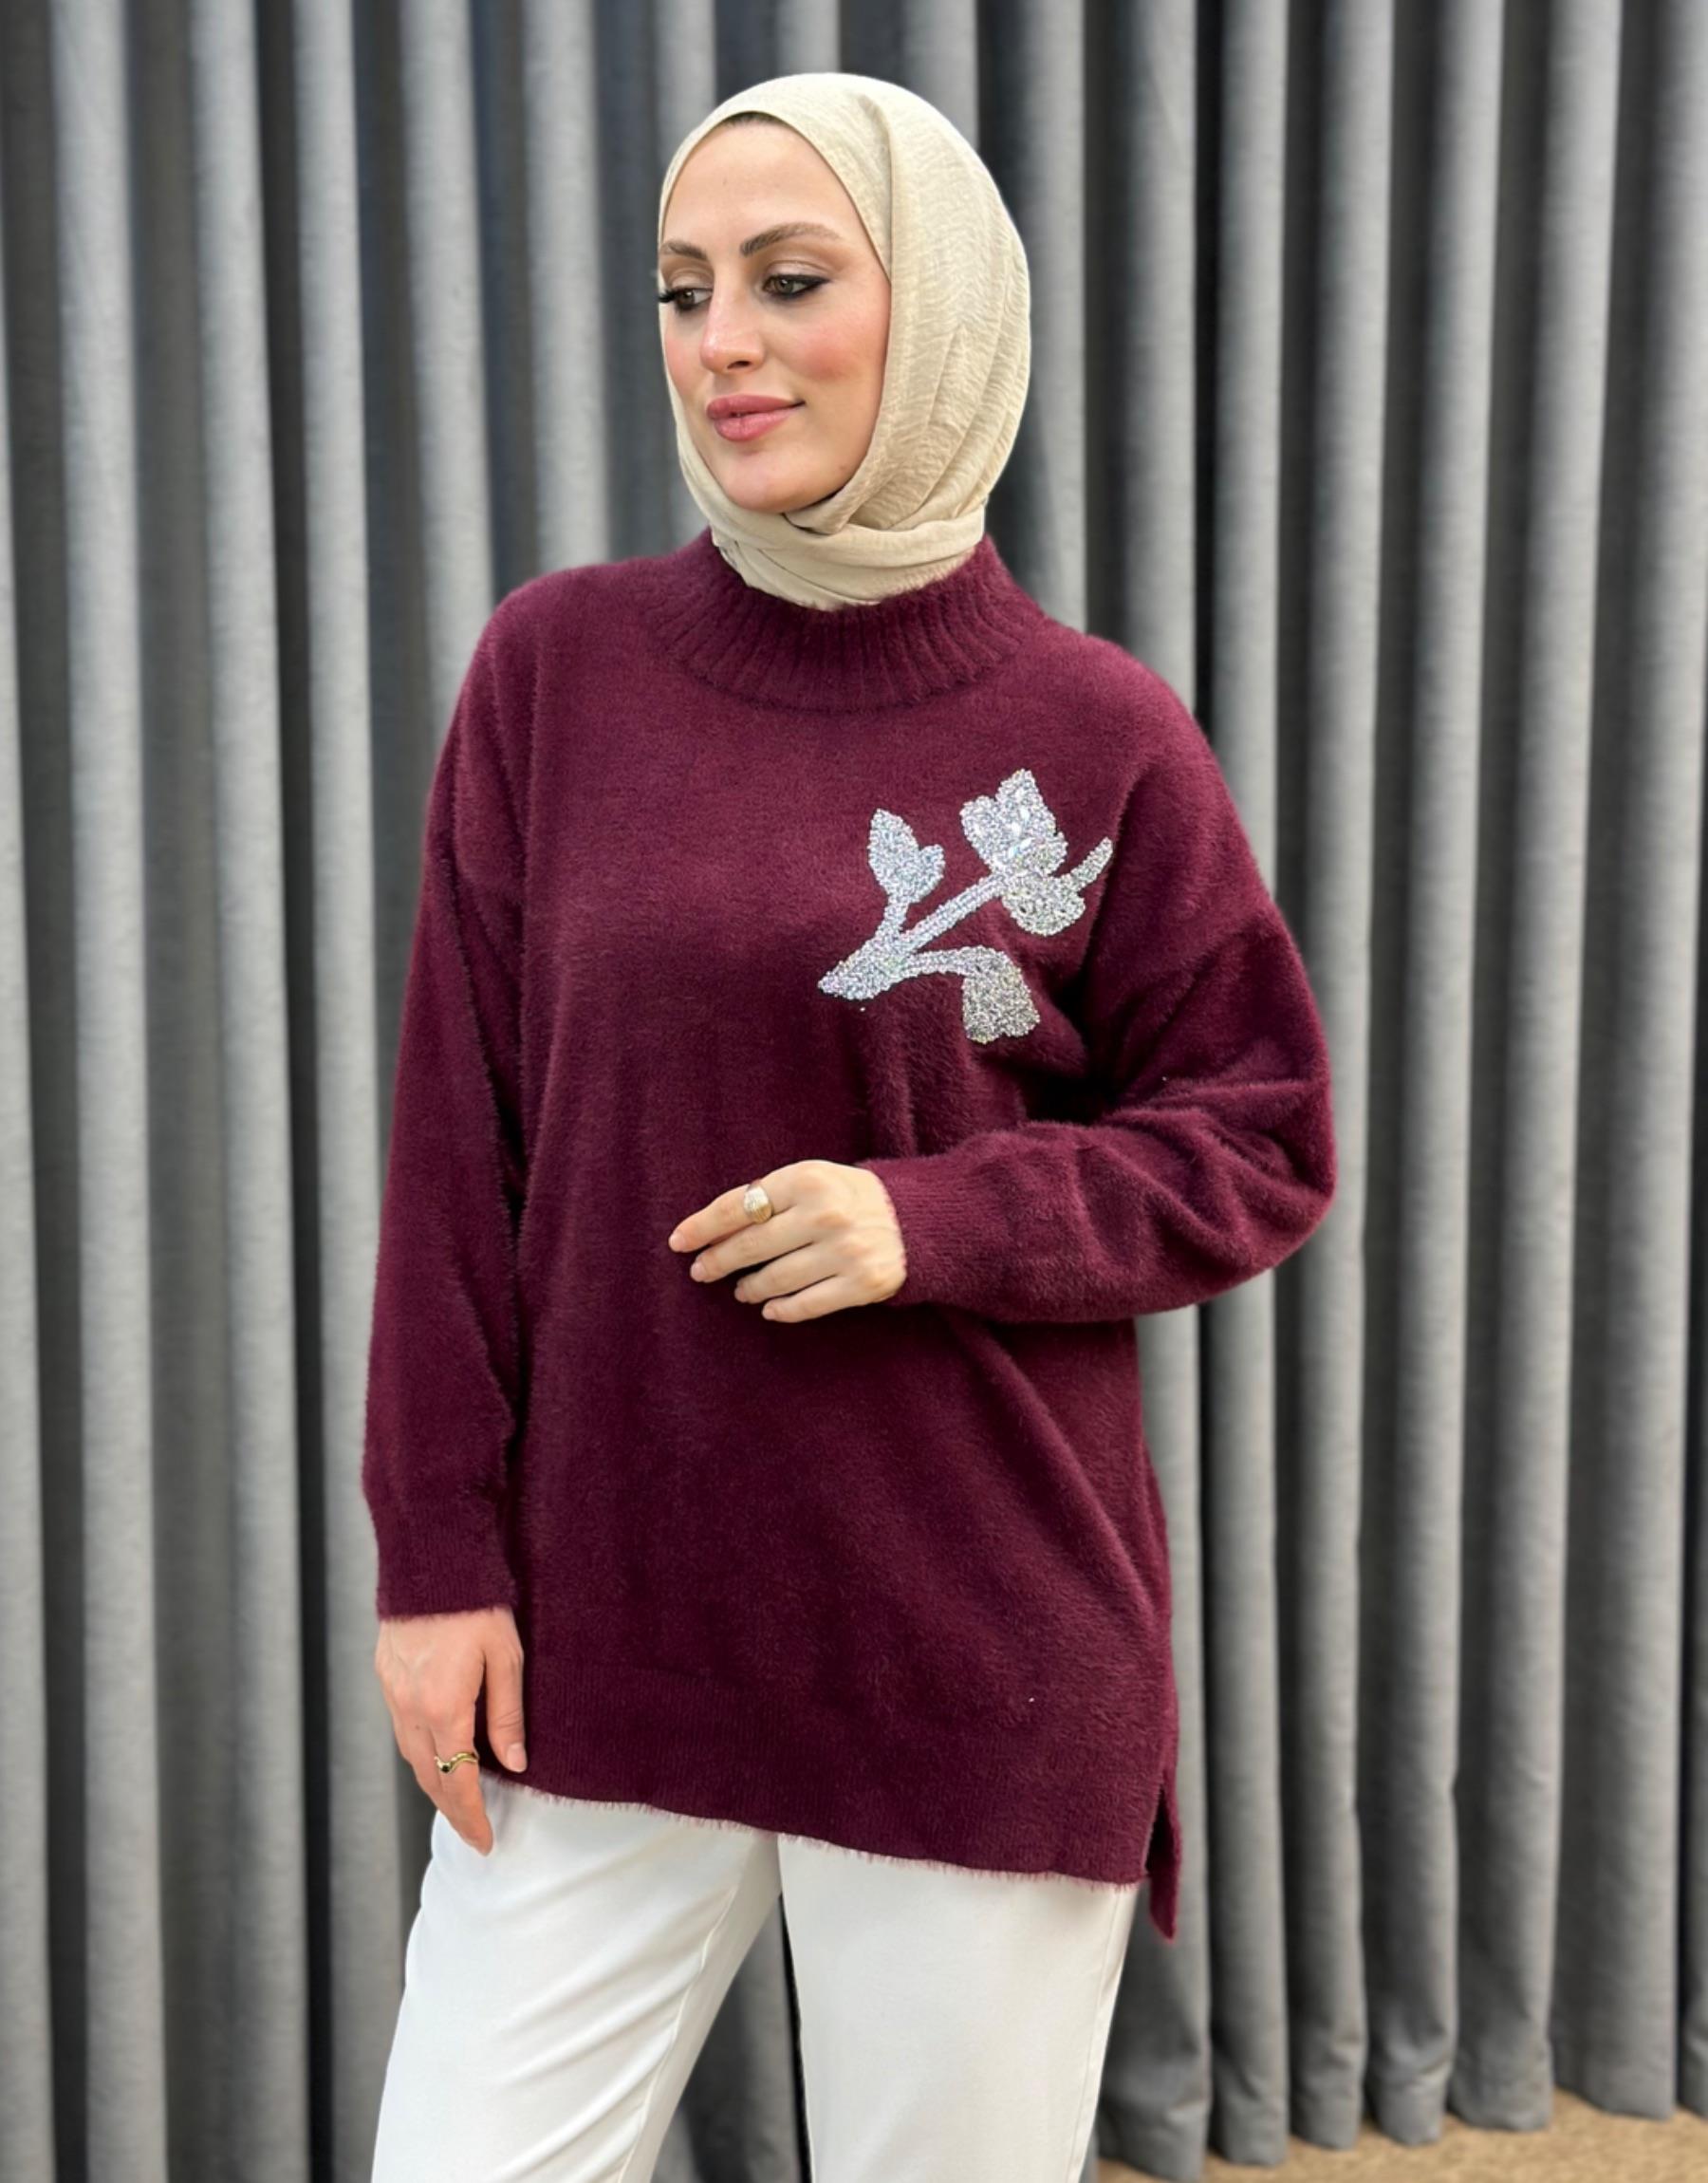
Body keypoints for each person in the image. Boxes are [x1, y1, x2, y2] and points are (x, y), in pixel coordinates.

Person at [364, 69, 1337, 2182]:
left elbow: (1261, 1130)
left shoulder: (1095, 732)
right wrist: (435, 1557)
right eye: (683, 288)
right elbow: (456, 1152)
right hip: (609, 1631)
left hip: (971, 1644)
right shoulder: (557, 673)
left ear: (946, 310)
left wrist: (942, 1219)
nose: (723, 341)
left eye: (791, 280)